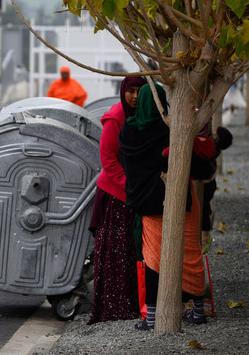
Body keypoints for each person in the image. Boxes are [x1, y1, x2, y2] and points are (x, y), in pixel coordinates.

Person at [120, 83, 213, 329]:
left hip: (147, 205)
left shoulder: (127, 131)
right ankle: (199, 310)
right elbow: (198, 167)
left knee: (153, 259)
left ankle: (151, 317)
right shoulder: (171, 131)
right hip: (180, 200)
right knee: (190, 253)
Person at [86, 75, 145, 324]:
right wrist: (129, 186)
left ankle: (132, 304)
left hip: (135, 193)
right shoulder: (115, 117)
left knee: (132, 251)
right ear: (123, 92)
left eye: (139, 92)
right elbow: (108, 159)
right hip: (115, 194)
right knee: (114, 252)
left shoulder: (144, 115)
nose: (134, 97)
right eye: (130, 91)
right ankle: (114, 307)